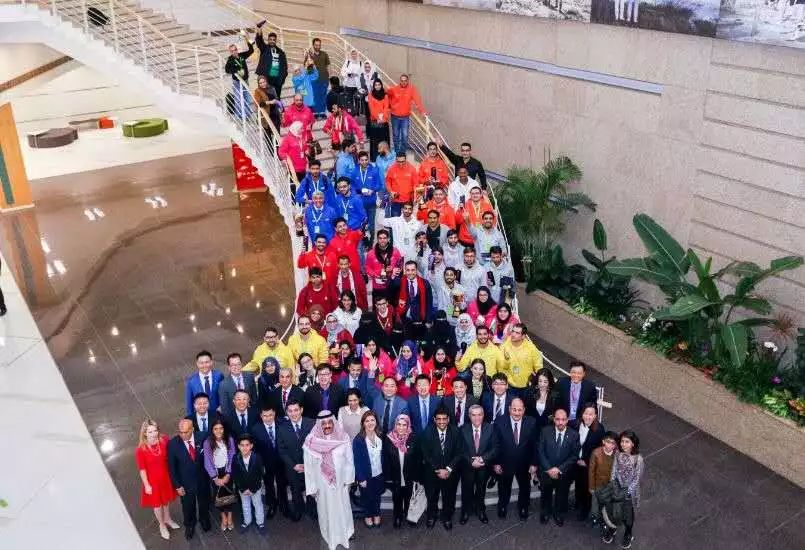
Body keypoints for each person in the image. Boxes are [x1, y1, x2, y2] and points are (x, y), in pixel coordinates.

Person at [304, 410, 355, 550]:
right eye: (323, 423)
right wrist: (312, 487)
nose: (327, 425)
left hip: (341, 482)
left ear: (334, 422)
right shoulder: (311, 441)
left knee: (343, 507)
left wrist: (348, 480)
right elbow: (308, 467)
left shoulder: (343, 437)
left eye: (329, 422)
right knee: (326, 509)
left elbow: (349, 461)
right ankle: (329, 534)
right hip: (322, 485)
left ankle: (347, 531)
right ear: (319, 424)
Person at [492, 397, 538, 520]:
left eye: (519, 410)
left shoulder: (531, 422)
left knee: (525, 486)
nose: (517, 413)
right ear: (509, 409)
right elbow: (495, 444)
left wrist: (534, 463)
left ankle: (523, 507)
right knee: (504, 486)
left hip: (524, 463)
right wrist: (496, 463)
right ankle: (502, 506)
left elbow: (535, 444)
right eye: (514, 409)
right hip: (505, 463)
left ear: (524, 410)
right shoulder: (499, 421)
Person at [419, 408, 463, 530]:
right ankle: (431, 516)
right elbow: (426, 454)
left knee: (449, 497)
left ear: (448, 419)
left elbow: (459, 452)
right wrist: (438, 469)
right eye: (439, 419)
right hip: (432, 472)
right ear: (434, 419)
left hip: (450, 472)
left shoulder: (455, 431)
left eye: (444, 419)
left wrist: (448, 469)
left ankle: (447, 517)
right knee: (432, 496)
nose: (441, 421)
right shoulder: (427, 432)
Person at [167, 419, 210, 539]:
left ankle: (204, 519)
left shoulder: (203, 437)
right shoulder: (173, 444)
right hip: (185, 482)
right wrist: (177, 485)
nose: (183, 435)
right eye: (180, 432)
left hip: (202, 479)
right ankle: (190, 525)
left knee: (204, 502)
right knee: (187, 505)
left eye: (186, 432)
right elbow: (172, 467)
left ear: (192, 430)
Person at [136, 420, 179, 540]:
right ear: (145, 433)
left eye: (155, 430)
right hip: (153, 482)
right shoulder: (141, 450)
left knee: (166, 501)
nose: (154, 434)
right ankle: (162, 525)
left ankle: (168, 519)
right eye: (150, 432)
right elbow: (142, 470)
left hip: (165, 477)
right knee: (157, 505)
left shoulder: (164, 440)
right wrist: (147, 485)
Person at [537, 408, 581, 526]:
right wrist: (549, 469)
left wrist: (559, 469)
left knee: (562, 494)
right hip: (547, 471)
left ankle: (558, 514)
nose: (560, 422)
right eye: (558, 419)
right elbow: (540, 451)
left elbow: (574, 456)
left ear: (567, 420)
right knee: (545, 493)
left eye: (563, 419)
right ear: (554, 420)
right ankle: (545, 512)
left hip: (564, 472)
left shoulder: (574, 435)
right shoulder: (545, 431)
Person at [601, 431, 644, 548]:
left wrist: (626, 492)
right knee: (613, 510)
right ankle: (612, 528)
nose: (623, 444)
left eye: (627, 442)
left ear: (633, 444)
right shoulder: (618, 453)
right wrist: (613, 485)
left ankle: (628, 533)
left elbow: (636, 479)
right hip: (616, 488)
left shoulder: (638, 459)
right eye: (622, 441)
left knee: (627, 515)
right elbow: (614, 470)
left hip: (629, 493)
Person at [460, 404, 497, 524]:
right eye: (474, 415)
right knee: (467, 489)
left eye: (479, 415)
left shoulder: (490, 428)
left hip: (483, 466)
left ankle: (481, 510)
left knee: (481, 489)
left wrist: (482, 459)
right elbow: (460, 449)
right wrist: (471, 461)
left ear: (483, 415)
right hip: (467, 465)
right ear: (469, 416)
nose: (477, 418)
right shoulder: (462, 429)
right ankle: (465, 511)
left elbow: (495, 448)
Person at [382, 414, 419, 528]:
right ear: (395, 425)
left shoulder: (413, 438)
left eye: (404, 425)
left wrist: (417, 477)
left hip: (409, 475)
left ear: (408, 426)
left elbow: (418, 459)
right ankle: (397, 516)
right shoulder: (389, 438)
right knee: (397, 497)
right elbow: (386, 459)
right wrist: (388, 478)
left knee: (408, 496)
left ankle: (409, 514)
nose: (401, 427)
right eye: (399, 424)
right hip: (395, 476)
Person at [571, 402, 606, 522]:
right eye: (586, 413)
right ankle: (577, 502)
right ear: (582, 414)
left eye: (591, 414)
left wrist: (586, 462)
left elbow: (599, 451)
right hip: (576, 461)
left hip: (588, 464)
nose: (588, 416)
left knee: (586, 487)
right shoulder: (576, 424)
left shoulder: (599, 430)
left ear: (595, 415)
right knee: (578, 483)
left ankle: (585, 510)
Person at [251, 406, 287, 518]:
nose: (268, 418)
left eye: (270, 415)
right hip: (266, 463)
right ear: (261, 416)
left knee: (282, 484)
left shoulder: (282, 424)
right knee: (268, 485)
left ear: (274, 414)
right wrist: (260, 465)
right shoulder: (256, 429)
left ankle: (284, 505)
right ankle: (272, 505)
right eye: (265, 416)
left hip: (281, 461)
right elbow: (255, 450)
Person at [203, 418, 237, 531]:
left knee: (230, 493)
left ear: (224, 429)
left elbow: (232, 456)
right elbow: (207, 461)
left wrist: (228, 474)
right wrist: (215, 478)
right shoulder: (208, 442)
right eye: (215, 429)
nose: (219, 431)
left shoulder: (229, 439)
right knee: (218, 495)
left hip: (227, 471)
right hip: (215, 473)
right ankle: (223, 517)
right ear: (212, 430)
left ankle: (230, 516)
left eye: (221, 428)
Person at [353, 410, 385, 527]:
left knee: (377, 496)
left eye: (372, 420)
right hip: (366, 475)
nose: (370, 423)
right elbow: (356, 461)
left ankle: (376, 514)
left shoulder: (380, 436)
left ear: (376, 422)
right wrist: (361, 478)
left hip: (379, 473)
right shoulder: (358, 440)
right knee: (366, 497)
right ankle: (367, 516)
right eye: (367, 421)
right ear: (363, 423)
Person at [231, 434, 267, 534]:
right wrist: (242, 488)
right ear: (238, 446)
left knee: (258, 504)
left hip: (255, 487)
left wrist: (253, 489)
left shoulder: (257, 457)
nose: (244, 448)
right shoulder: (235, 458)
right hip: (242, 488)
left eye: (247, 445)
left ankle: (260, 522)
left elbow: (260, 474)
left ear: (251, 446)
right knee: (245, 505)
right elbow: (235, 475)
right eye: (242, 445)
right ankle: (247, 521)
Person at [386, 74, 426, 155]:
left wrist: (422, 111)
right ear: (400, 81)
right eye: (402, 80)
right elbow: (386, 95)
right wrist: (389, 108)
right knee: (396, 135)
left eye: (405, 81)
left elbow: (417, 100)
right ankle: (397, 152)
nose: (403, 82)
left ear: (408, 81)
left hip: (405, 117)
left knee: (405, 136)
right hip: (395, 117)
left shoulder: (411, 89)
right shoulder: (394, 89)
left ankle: (402, 152)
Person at [397, 260, 436, 340]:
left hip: (421, 320)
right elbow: (391, 288)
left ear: (416, 270)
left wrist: (428, 320)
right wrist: (393, 276)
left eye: (413, 270)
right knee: (408, 344)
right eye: (408, 270)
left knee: (421, 343)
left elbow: (429, 303)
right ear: (405, 270)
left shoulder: (425, 283)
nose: (410, 272)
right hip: (405, 320)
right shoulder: (400, 282)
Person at [350, 151, 384, 240]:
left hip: (371, 202)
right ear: (358, 161)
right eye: (362, 160)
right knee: (361, 224)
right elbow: (351, 186)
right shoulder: (354, 171)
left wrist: (372, 190)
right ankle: (362, 242)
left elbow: (379, 185)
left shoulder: (374, 170)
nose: (364, 162)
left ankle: (370, 243)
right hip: (359, 203)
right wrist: (358, 191)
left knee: (371, 225)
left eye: (366, 160)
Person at [588, 431, 618, 526]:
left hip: (610, 485)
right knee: (595, 503)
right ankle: (595, 517)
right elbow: (591, 471)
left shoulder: (617, 454)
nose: (610, 445)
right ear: (603, 441)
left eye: (613, 443)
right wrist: (591, 487)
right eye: (608, 442)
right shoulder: (596, 453)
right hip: (598, 484)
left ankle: (605, 519)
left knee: (608, 504)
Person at [218, 353, 257, 419]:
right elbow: (225, 408)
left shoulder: (249, 376)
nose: (236, 367)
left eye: (238, 364)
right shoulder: (223, 385)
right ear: (229, 367)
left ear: (241, 365)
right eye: (233, 365)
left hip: (251, 415)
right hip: (234, 419)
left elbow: (254, 399)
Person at [366, 229, 402, 300]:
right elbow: (367, 267)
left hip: (392, 285)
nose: (382, 240)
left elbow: (400, 264)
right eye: (380, 238)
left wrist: (394, 269)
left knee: (393, 305)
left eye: (384, 238)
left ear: (388, 239)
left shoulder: (395, 251)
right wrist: (375, 274)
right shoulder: (371, 253)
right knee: (378, 305)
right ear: (377, 239)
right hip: (378, 286)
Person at [185, 350, 224, 416]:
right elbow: (189, 403)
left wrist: (222, 406)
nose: (204, 365)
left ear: (211, 362)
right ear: (197, 364)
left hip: (218, 414)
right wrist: (191, 418)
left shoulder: (219, 376)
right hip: (201, 415)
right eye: (201, 363)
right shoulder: (191, 381)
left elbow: (223, 394)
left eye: (207, 362)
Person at [255, 28, 287, 97]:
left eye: (274, 40)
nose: (272, 41)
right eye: (270, 39)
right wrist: (259, 32)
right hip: (266, 79)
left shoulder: (281, 52)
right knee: (265, 98)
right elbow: (259, 42)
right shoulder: (264, 48)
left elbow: (285, 67)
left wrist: (282, 79)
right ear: (268, 40)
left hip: (277, 80)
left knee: (277, 99)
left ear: (276, 41)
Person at [366, 79, 391, 160]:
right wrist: (377, 118)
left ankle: (385, 157)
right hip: (374, 122)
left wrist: (383, 118)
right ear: (374, 86)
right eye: (376, 85)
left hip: (384, 121)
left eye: (379, 84)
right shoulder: (370, 95)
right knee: (375, 141)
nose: (377, 86)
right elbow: (371, 108)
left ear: (381, 85)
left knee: (384, 141)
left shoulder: (385, 95)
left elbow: (386, 107)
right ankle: (375, 158)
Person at [279, 120, 308, 185]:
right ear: (296, 128)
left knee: (303, 186)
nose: (303, 130)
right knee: (294, 187)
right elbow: (281, 151)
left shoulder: (301, 137)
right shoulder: (287, 139)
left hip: (302, 166)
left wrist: (307, 150)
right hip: (293, 168)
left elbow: (304, 148)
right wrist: (287, 158)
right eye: (301, 129)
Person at [308, 37, 330, 116]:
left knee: (323, 96)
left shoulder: (324, 54)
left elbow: (328, 66)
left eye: (319, 45)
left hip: (324, 79)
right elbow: (306, 66)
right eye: (316, 45)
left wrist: (329, 77)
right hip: (314, 80)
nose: (318, 47)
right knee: (315, 96)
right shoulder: (310, 55)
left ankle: (322, 112)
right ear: (313, 45)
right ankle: (316, 113)